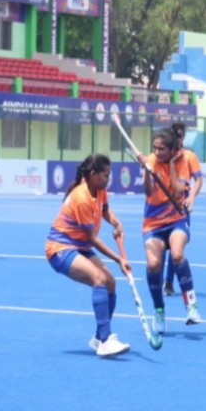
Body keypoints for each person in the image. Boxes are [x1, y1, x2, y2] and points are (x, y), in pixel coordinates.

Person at [45, 153, 131, 357]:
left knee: (110, 283)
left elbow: (105, 211)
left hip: (79, 245)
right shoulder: (81, 197)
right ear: (93, 174)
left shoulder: (99, 189)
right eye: (105, 175)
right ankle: (105, 339)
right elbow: (92, 238)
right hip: (60, 248)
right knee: (99, 279)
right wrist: (119, 259)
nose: (108, 180)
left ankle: (98, 338)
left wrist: (117, 223)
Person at [136, 123, 203, 324]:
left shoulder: (183, 160)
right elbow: (148, 192)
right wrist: (147, 170)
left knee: (177, 254)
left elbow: (176, 192)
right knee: (154, 264)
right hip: (153, 223)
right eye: (154, 147)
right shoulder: (150, 160)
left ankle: (191, 306)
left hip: (176, 220)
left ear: (171, 148)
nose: (157, 152)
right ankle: (159, 310)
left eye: (161, 149)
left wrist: (172, 166)